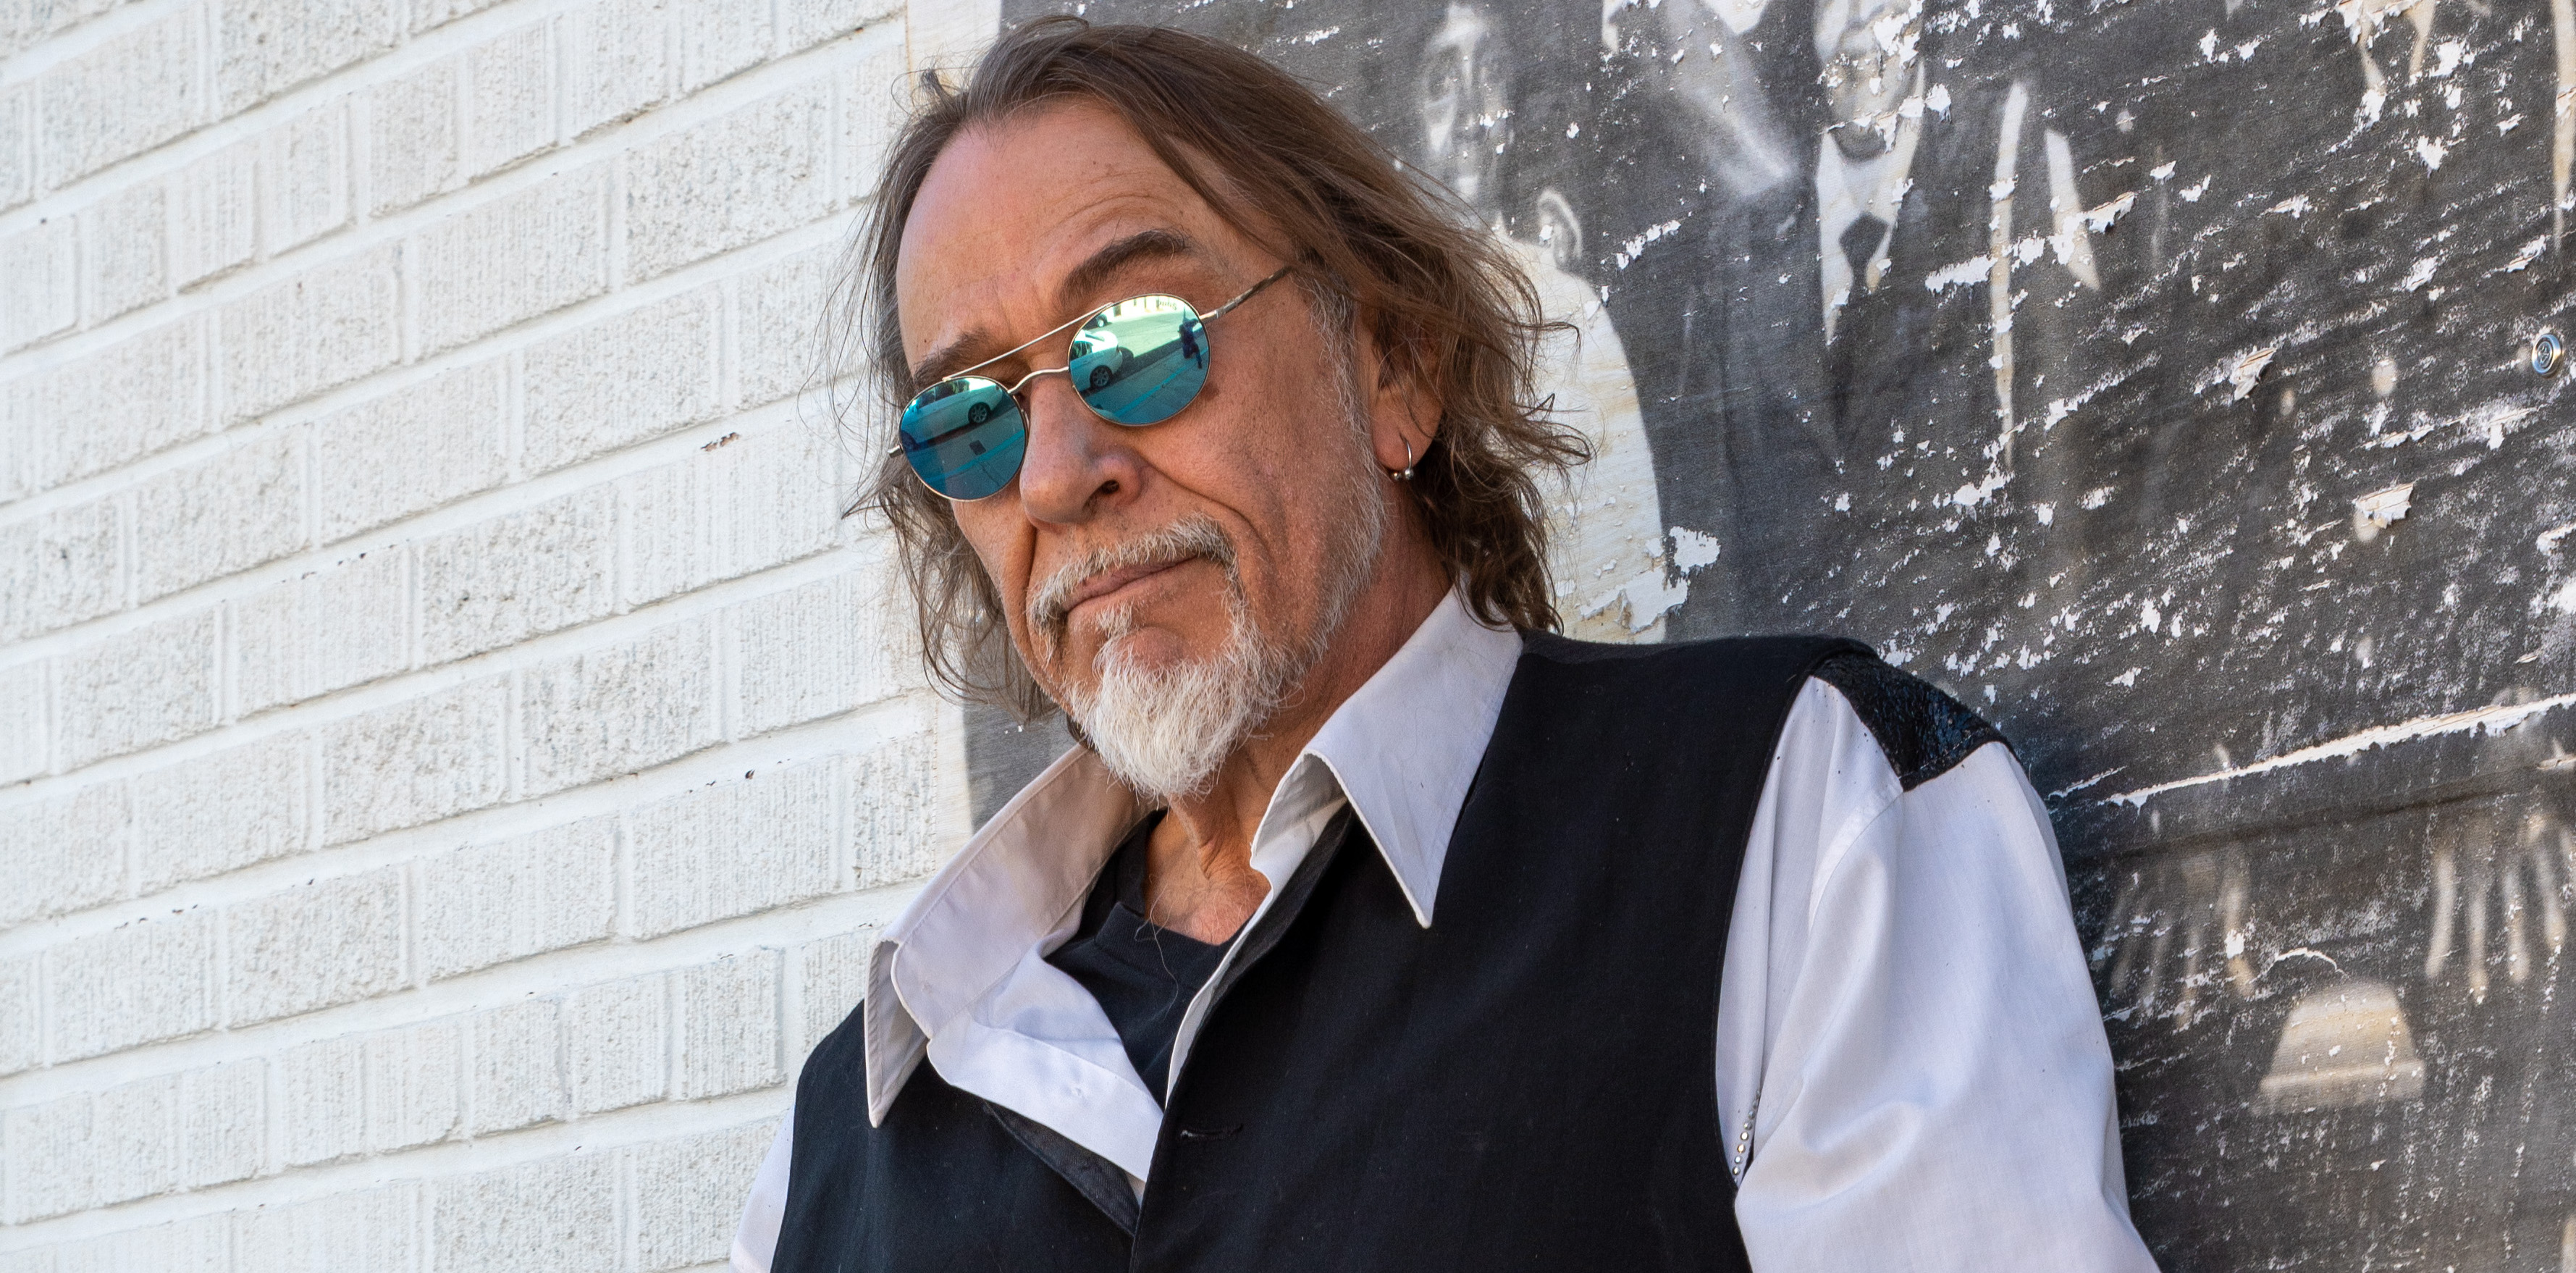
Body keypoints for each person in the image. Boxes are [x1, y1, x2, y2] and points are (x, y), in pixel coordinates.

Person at [731, 18, 2160, 1272]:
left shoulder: (1787, 823)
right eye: (970, 420)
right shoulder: (840, 1141)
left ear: (1394, 367)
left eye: (1138, 337)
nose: (1055, 471)